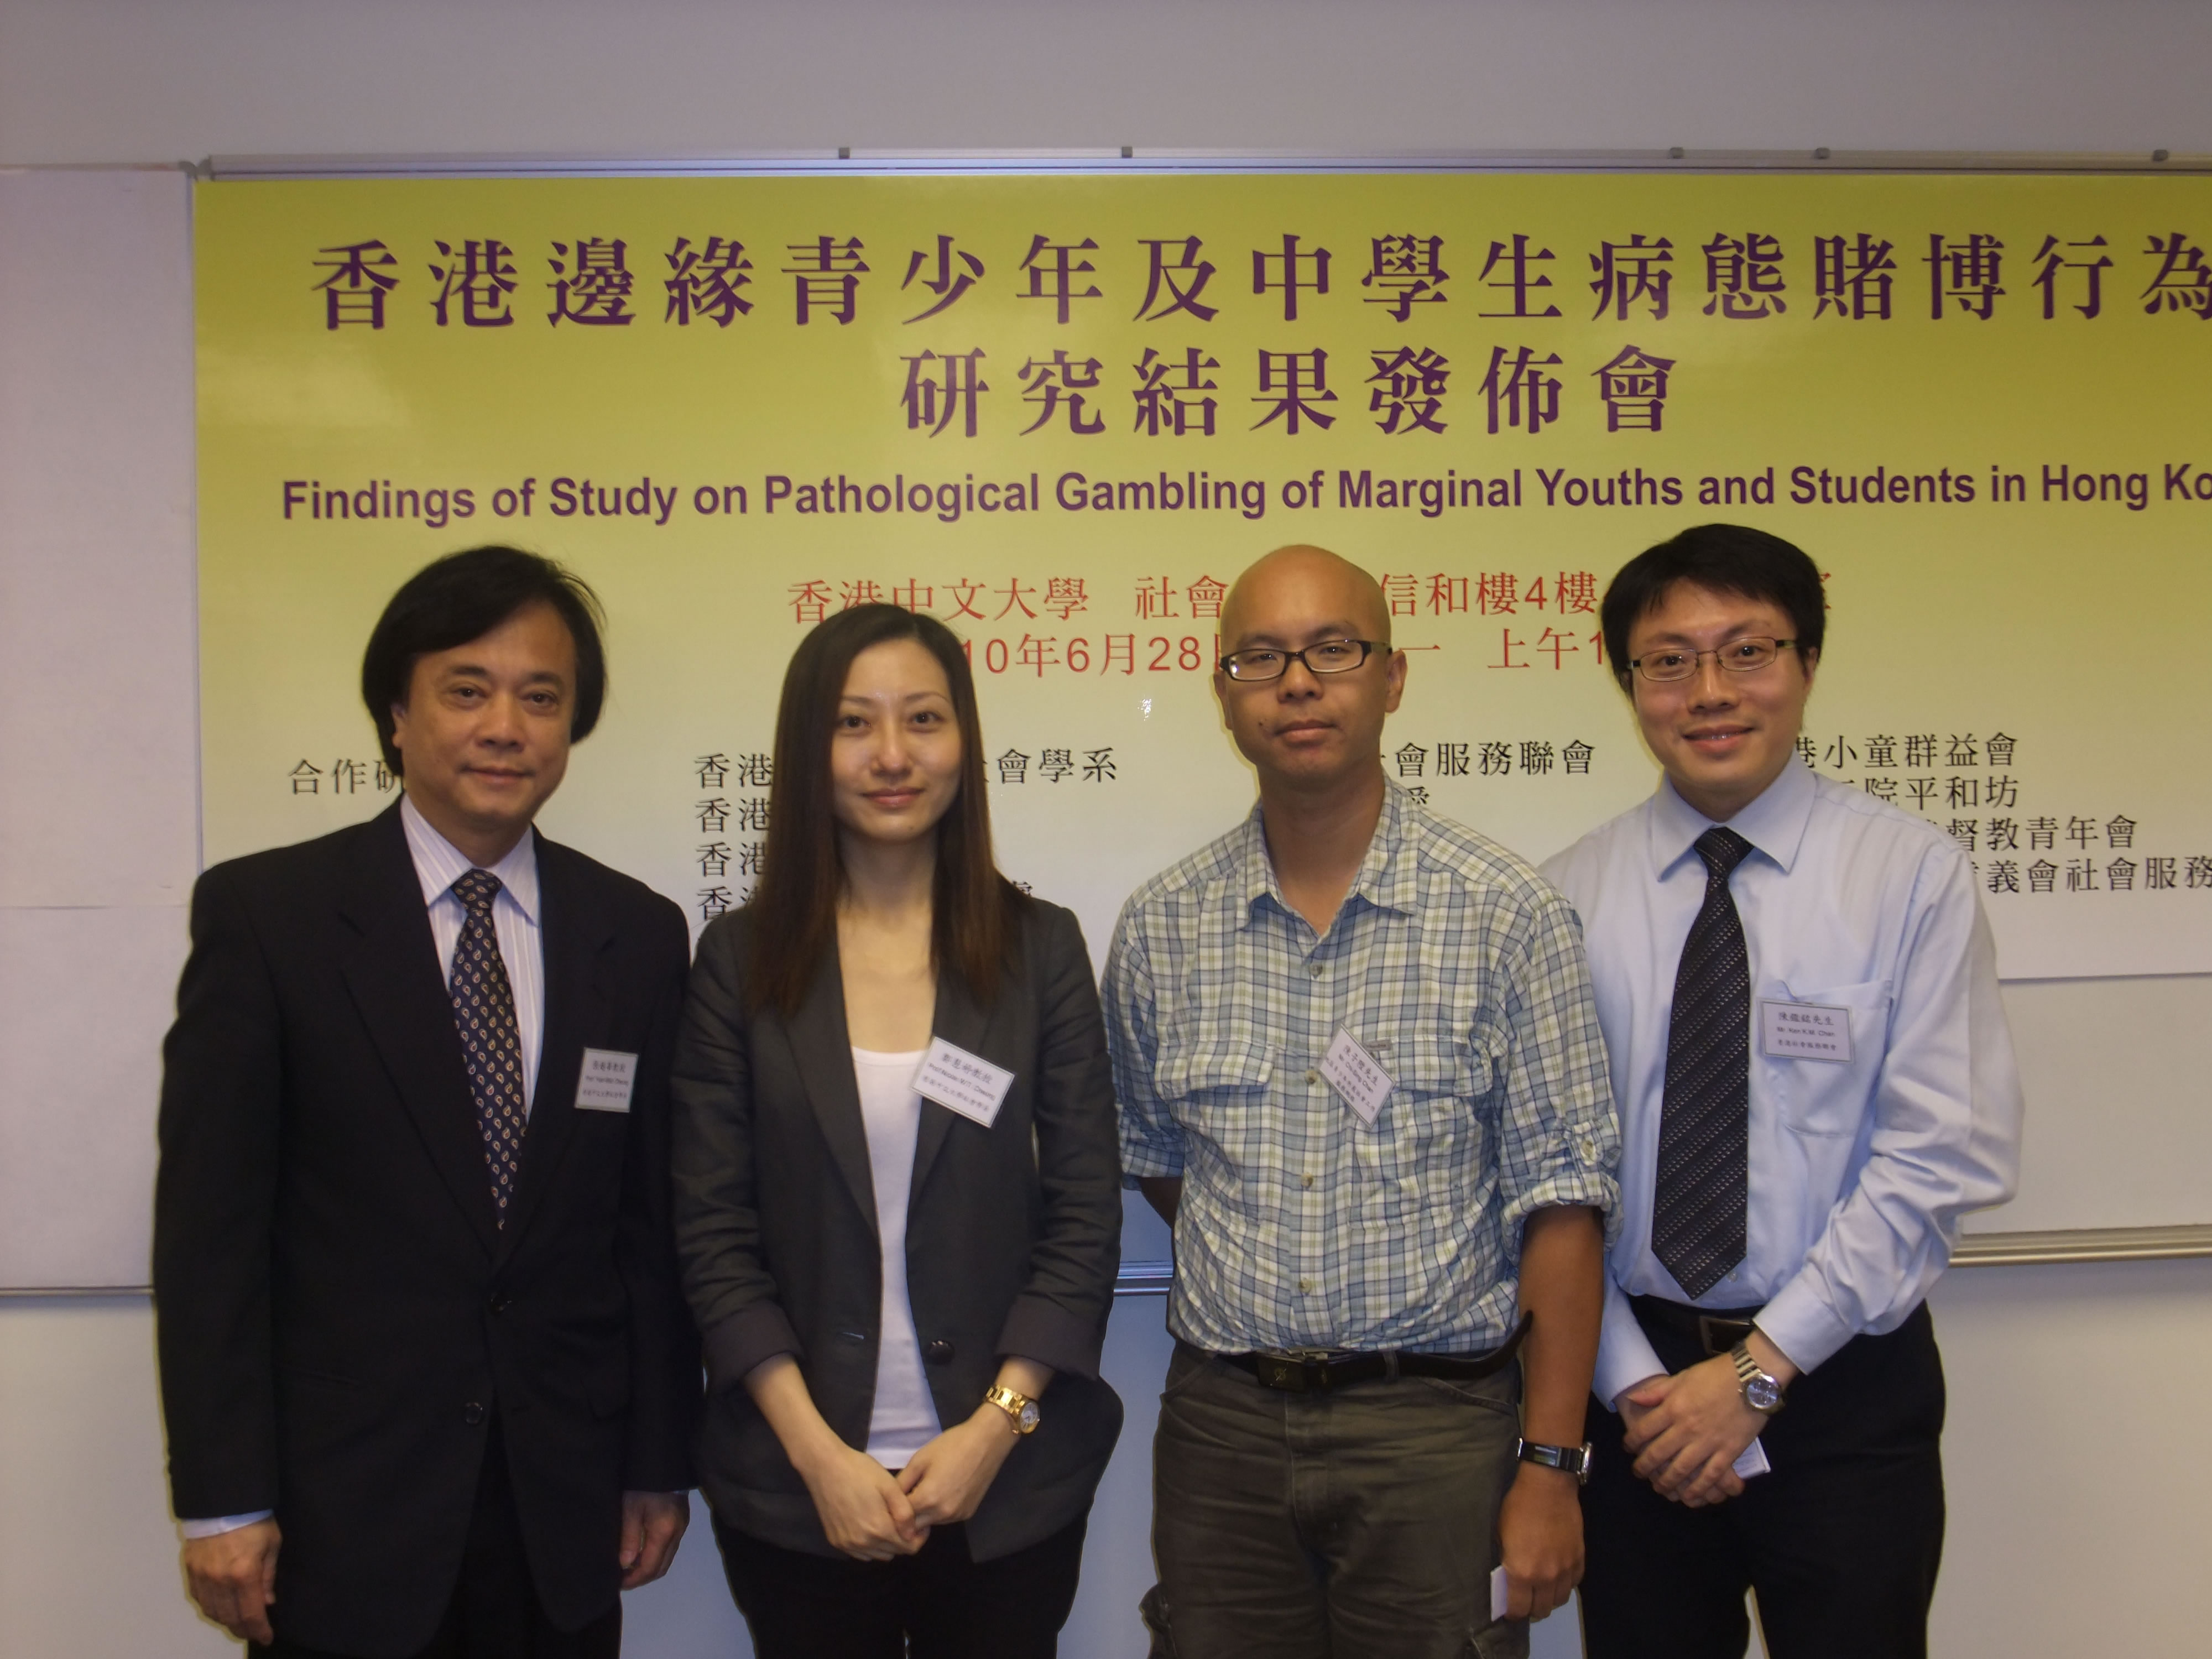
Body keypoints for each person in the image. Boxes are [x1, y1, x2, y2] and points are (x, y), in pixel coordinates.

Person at [154, 546, 699, 1659]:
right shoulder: (273, 919)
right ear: (396, 715)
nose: (505, 726)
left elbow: (647, 1233)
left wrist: (655, 1460)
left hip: (565, 1511)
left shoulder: (635, 935)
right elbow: (211, 1239)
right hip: (343, 1516)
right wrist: (223, 1501)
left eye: (540, 698)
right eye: (466, 689)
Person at [1104, 544, 1621, 1659]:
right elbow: (1157, 1158)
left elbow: (1563, 1208)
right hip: (1222, 1431)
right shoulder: (1160, 928)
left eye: (1332, 649)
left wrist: (1549, 1467)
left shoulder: (1506, 915)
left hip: (1433, 1432)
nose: (1297, 681)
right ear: (1223, 695)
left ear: (1391, 677)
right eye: (1260, 657)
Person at [1540, 524, 2023, 1659]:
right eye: (1667, 661)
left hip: (1842, 1382)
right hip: (1635, 1388)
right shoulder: (1562, 897)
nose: (1708, 692)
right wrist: (1638, 1390)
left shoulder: (1908, 877)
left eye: (1746, 650)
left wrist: (1757, 1373)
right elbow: (1548, 1174)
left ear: (1803, 664)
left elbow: (1935, 1155)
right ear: (1626, 684)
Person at [670, 603, 1123, 1659]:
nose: (891, 756)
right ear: (806, 749)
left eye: (922, 719)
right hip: (797, 1491)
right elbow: (711, 1230)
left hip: (1006, 1488)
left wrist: (993, 1429)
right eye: (852, 724)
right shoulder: (739, 963)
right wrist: (820, 1458)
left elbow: (1084, 1212)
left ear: (963, 741)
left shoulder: (1038, 950)